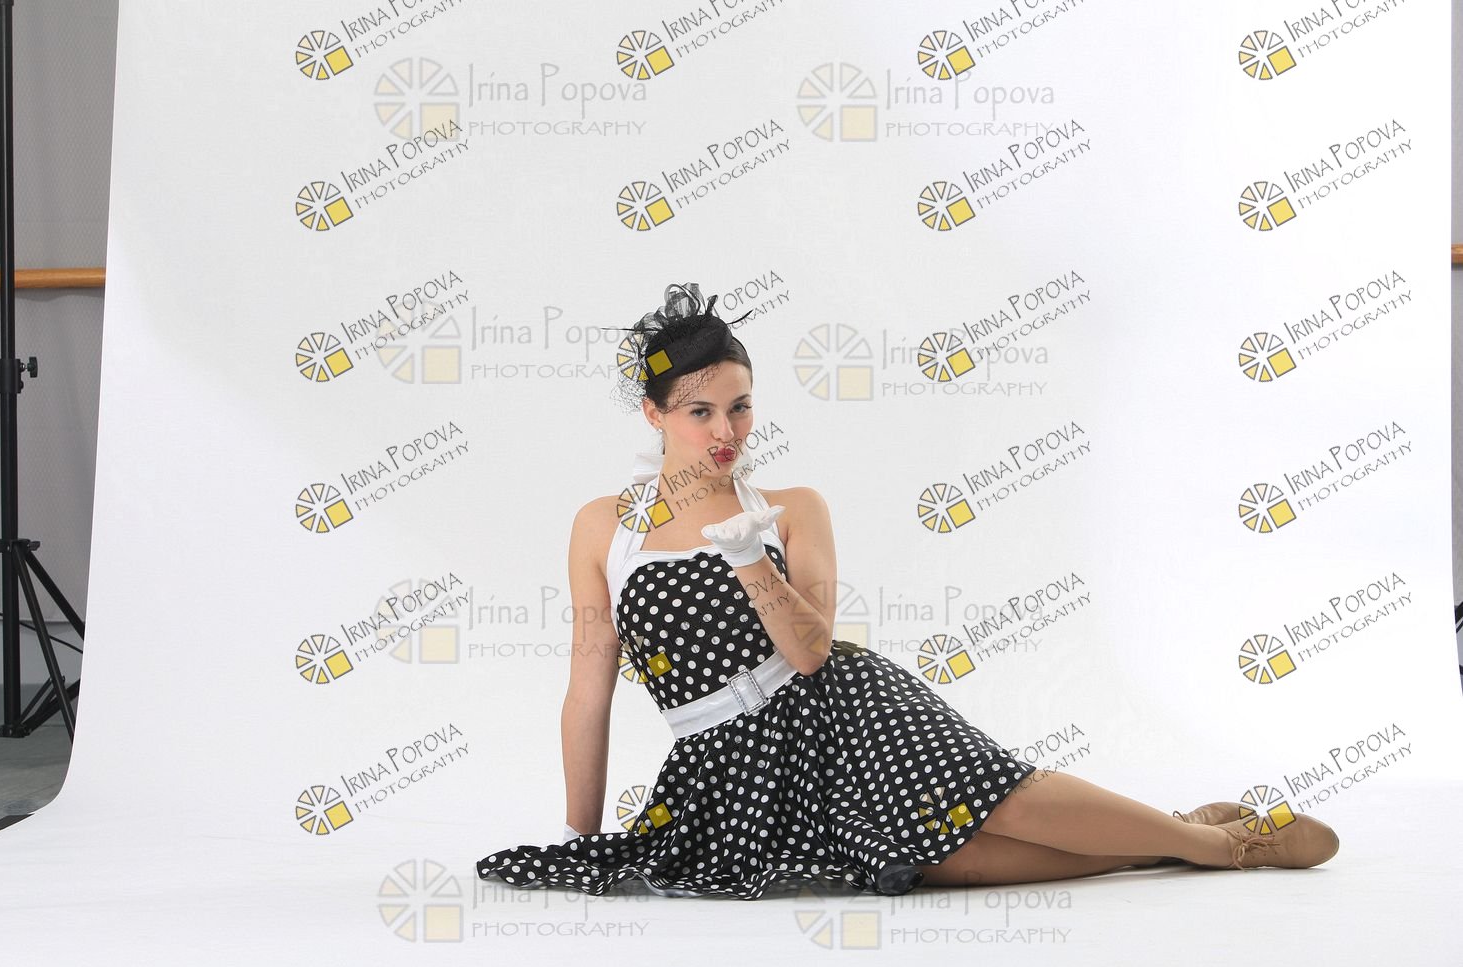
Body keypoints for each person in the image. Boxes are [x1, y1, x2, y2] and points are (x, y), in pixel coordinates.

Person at [474, 282, 1340, 899]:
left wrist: (750, 559)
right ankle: (1176, 838)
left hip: (841, 708)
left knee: (1006, 802)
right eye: (700, 411)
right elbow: (588, 691)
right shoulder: (604, 527)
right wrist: (580, 838)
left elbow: (810, 654)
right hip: (729, 768)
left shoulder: (791, 508)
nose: (726, 430)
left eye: (741, 407)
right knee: (947, 864)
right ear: (655, 414)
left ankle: (1224, 846)